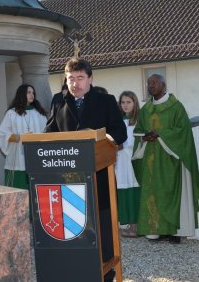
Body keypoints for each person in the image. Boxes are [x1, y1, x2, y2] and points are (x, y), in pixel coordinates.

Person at [45, 57, 127, 281]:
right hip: (69, 180)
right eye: (71, 78)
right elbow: (49, 134)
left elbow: (120, 133)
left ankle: (106, 270)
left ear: (90, 78)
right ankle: (76, 269)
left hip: (99, 176)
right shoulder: (58, 101)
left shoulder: (106, 100)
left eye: (80, 78)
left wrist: (103, 140)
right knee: (74, 227)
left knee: (102, 228)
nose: (75, 83)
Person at [132, 74, 199, 244]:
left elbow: (183, 132)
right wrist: (144, 138)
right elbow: (138, 131)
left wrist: (161, 135)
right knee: (152, 193)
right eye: (148, 83)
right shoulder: (146, 109)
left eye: (154, 83)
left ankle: (175, 232)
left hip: (171, 159)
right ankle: (155, 230)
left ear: (164, 84)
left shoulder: (176, 107)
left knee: (172, 193)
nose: (150, 86)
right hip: (150, 160)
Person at [0, 84, 48, 189]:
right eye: (29, 92)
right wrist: (18, 138)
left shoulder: (40, 113)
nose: (32, 95)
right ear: (21, 94)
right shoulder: (11, 113)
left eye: (33, 93)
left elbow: (47, 133)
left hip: (36, 155)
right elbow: (2, 134)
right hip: (17, 157)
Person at [117, 90, 141, 238]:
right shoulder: (118, 120)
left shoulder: (138, 121)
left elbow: (137, 141)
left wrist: (122, 144)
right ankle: (128, 224)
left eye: (128, 102)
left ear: (135, 103)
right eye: (123, 102)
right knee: (124, 192)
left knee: (134, 192)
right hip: (120, 162)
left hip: (133, 161)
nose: (125, 105)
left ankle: (136, 227)